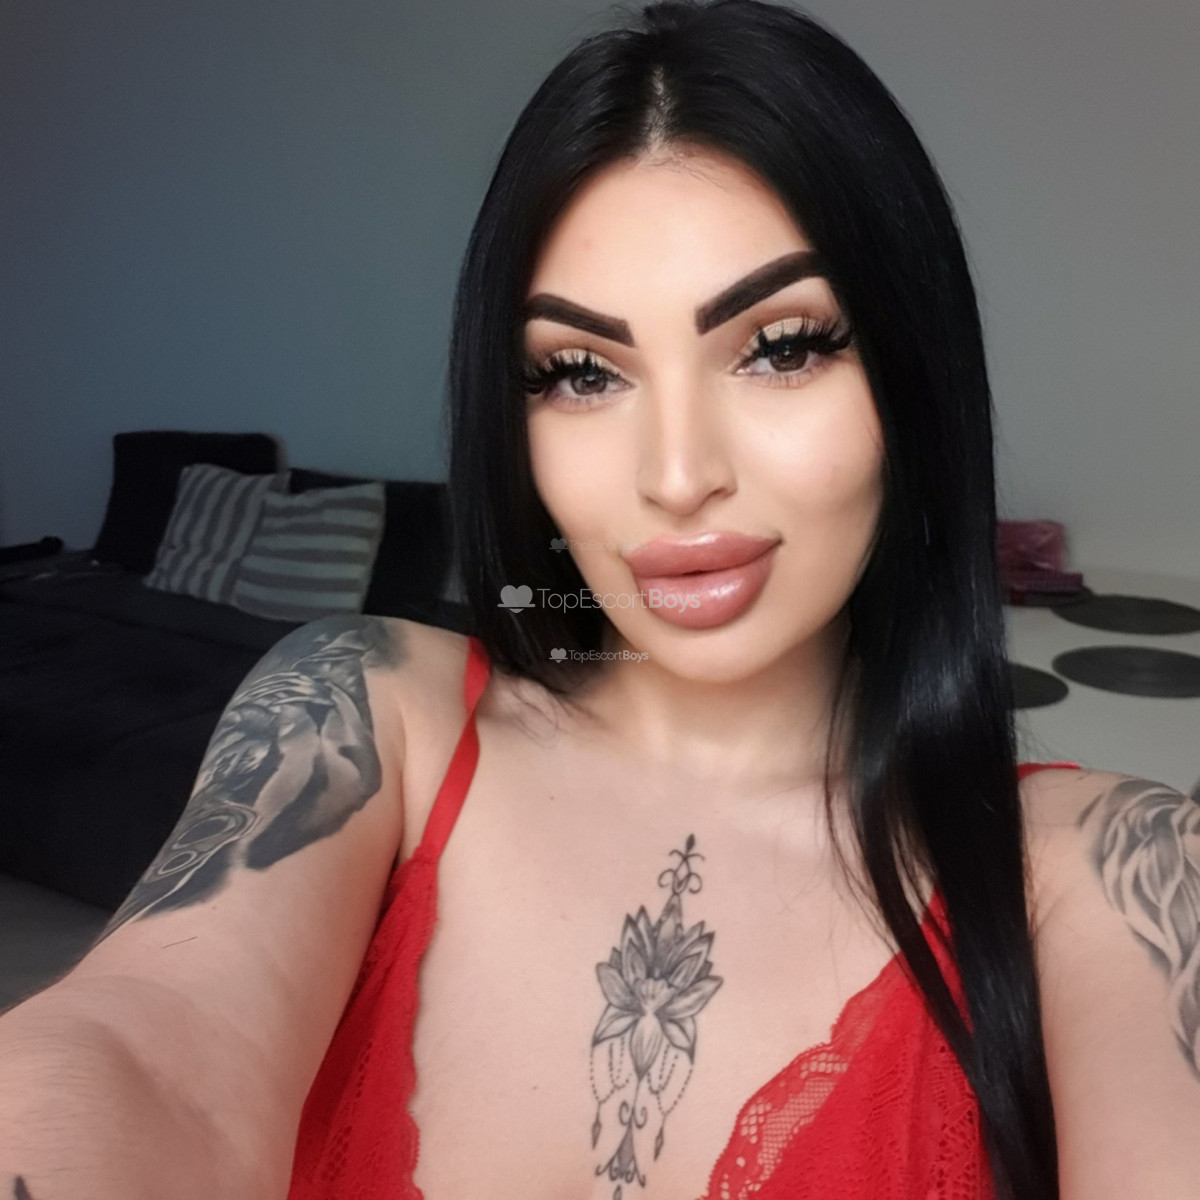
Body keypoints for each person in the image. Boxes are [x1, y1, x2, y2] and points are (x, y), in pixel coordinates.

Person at [2, 1, 1197, 1197]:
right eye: (581, 372)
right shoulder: (364, 710)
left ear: (913, 375)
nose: (676, 475)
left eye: (782, 346)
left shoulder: (1117, 869)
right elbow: (147, 1047)